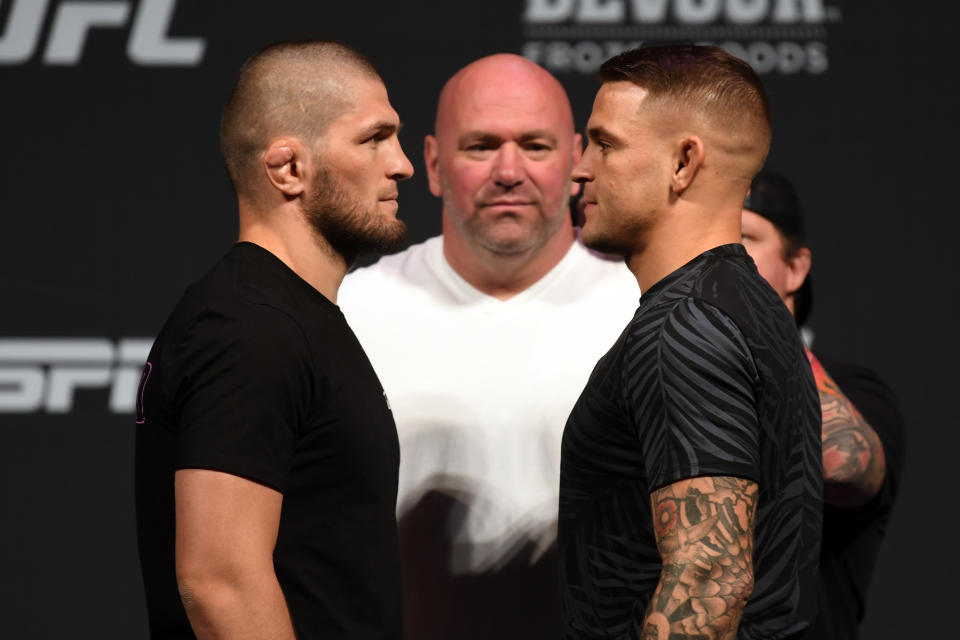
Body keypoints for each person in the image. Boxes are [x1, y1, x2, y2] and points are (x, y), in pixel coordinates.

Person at [337, 54, 639, 639]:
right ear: (432, 163)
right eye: (480, 146)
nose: (508, 171)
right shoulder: (350, 311)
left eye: (536, 146)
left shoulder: (646, 308)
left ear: (577, 159)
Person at [134, 40, 413, 639]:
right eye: (373, 138)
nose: (402, 164)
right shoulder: (250, 328)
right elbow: (218, 581)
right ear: (288, 168)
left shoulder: (287, 316)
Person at [559, 44, 823, 640]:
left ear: (682, 162)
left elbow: (708, 577)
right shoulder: (749, 305)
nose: (579, 170)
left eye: (604, 144)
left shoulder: (687, 324)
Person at [741, 171, 906, 640]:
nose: (720, 258)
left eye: (743, 239)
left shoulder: (858, 389)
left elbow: (840, 463)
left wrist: (744, 314)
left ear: (795, 268)